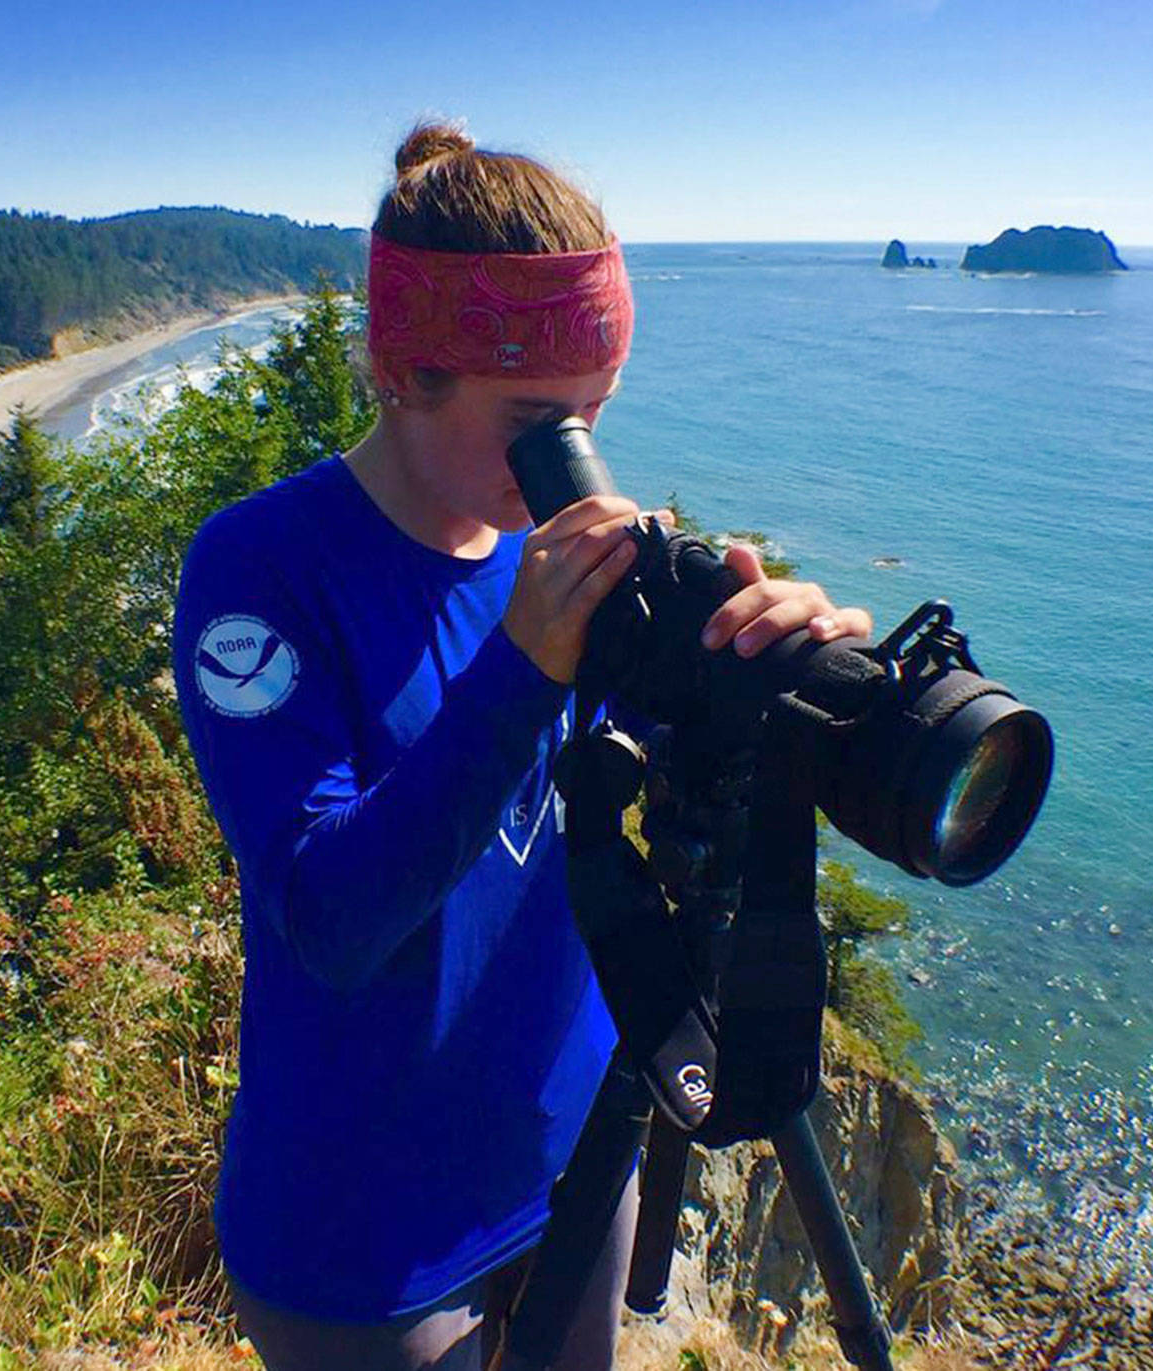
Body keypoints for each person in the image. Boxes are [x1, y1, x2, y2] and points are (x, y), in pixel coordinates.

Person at [172, 121, 871, 1371]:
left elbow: (691, 755)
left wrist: (786, 672)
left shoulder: (564, 562)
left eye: (595, 415)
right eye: (536, 421)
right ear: (402, 369)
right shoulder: (262, 569)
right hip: (359, 1232)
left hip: (570, 1163)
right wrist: (518, 667)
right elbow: (327, 915)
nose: (574, 465)